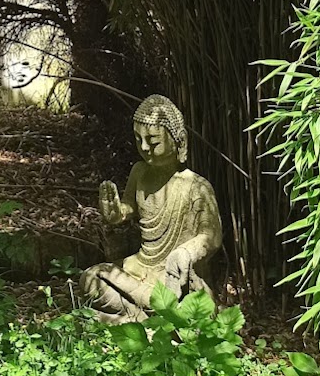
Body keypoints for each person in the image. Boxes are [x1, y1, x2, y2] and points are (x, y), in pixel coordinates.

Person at [80, 94, 222, 322]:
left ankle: (140, 317)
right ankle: (146, 317)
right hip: (139, 268)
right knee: (90, 278)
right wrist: (115, 213)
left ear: (179, 140)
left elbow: (211, 237)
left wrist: (185, 253)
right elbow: (129, 207)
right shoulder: (139, 172)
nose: (145, 147)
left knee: (191, 305)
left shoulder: (197, 186)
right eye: (139, 140)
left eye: (153, 141)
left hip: (175, 277)